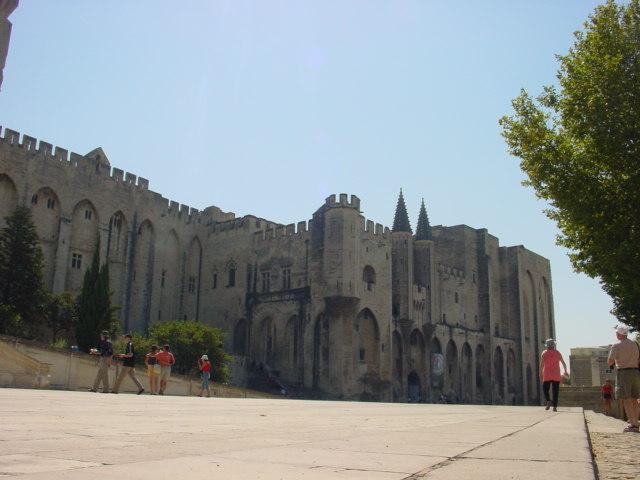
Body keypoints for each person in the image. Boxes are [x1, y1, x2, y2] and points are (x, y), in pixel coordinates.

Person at [607, 325, 640, 433]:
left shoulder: (616, 346)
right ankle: (636, 422)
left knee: (626, 399)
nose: (616, 334)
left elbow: (610, 361)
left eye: (617, 333)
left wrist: (614, 354)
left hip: (624, 372)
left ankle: (633, 424)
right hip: (635, 372)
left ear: (620, 334)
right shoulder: (634, 344)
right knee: (635, 399)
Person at [539, 338, 568, 412]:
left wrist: (540, 373)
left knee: (545, 389)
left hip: (547, 374)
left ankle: (548, 400)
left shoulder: (544, 353)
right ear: (554, 345)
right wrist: (565, 371)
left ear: (547, 345)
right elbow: (563, 363)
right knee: (555, 391)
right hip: (556, 374)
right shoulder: (557, 353)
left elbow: (541, 364)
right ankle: (555, 407)